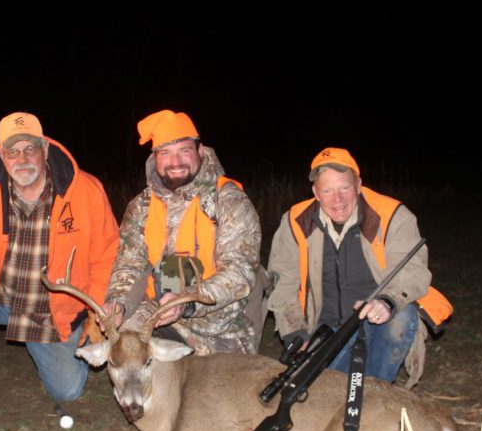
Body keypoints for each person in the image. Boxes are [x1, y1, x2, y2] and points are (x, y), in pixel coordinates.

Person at [0, 112, 120, 431]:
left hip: (53, 312)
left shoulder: (84, 190)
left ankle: (40, 344)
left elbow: (107, 257)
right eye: (13, 152)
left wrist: (97, 313)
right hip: (2, 293)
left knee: (68, 390)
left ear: (45, 149)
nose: (22, 159)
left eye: (30, 149)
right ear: (2, 156)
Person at [266, 147, 452, 387]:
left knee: (400, 317)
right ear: (316, 193)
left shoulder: (392, 215)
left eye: (344, 187)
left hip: (374, 322)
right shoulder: (295, 221)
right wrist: (295, 332)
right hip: (323, 330)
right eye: (328, 190)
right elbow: (283, 282)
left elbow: (413, 270)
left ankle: (375, 390)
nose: (338, 199)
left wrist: (386, 301)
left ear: (358, 184)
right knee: (319, 393)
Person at [102, 109, 267, 354]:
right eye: (165, 153)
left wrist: (186, 302)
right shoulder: (141, 206)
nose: (175, 162)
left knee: (211, 390)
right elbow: (130, 263)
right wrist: (118, 304)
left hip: (223, 322)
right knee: (126, 347)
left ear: (200, 151)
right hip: (158, 313)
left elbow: (239, 271)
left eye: (184, 151)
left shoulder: (229, 201)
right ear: (154, 158)